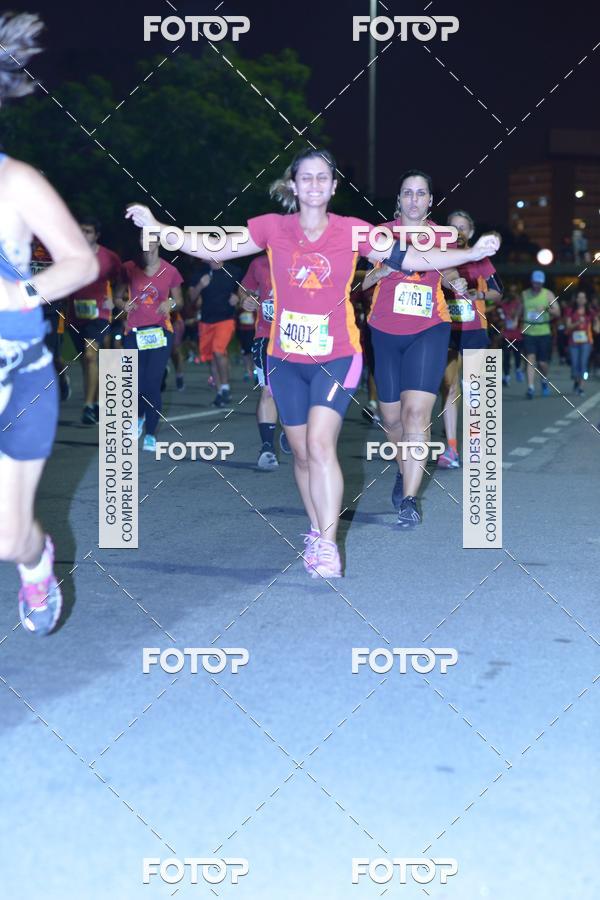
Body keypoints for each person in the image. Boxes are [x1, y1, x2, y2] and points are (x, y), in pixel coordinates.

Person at [126, 148, 499, 576]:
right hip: (285, 356)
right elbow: (219, 246)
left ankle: (326, 542)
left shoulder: (354, 230)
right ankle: (316, 529)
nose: (315, 185)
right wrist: (158, 229)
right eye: (307, 177)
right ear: (294, 185)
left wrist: (469, 254)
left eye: (323, 177)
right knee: (302, 454)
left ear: (334, 186)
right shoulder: (272, 227)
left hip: (337, 354)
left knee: (321, 445)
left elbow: (412, 258)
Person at [0, 12, 98, 635]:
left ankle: (36, 560)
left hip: (19, 376)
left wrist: (20, 293)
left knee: (8, 538)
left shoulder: (16, 182)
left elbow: (81, 262)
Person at [363, 171, 469, 522]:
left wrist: (457, 281)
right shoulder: (381, 234)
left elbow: (449, 272)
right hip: (384, 331)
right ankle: (402, 467)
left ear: (430, 200)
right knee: (391, 419)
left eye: (420, 193)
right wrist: (380, 273)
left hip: (429, 328)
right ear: (399, 199)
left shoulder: (440, 236)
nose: (413, 199)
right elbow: (363, 281)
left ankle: (409, 498)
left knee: (416, 414)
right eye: (407, 193)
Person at [438, 210, 503, 469]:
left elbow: (498, 291)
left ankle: (476, 444)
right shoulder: (439, 256)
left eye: (463, 228)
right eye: (453, 227)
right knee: (449, 387)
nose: (458, 232)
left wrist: (479, 294)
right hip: (447, 328)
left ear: (472, 232)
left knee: (474, 389)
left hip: (474, 329)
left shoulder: (480, 259)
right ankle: (451, 448)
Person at [115, 234, 183, 452]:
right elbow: (117, 297)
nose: (147, 244)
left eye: (151, 240)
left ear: (158, 243)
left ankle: (151, 434)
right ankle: (138, 417)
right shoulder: (128, 268)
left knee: (152, 383)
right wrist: (123, 305)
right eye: (143, 240)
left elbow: (179, 300)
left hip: (160, 331)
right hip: (134, 332)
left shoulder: (170, 271)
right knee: (135, 382)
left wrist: (170, 304)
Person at [68, 215, 124, 424]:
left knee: (91, 356)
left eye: (88, 231)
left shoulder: (109, 257)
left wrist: (114, 299)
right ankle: (98, 401)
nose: (84, 235)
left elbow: (122, 280)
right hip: (75, 315)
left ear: (96, 235)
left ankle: (88, 407)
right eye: (81, 230)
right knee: (86, 360)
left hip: (99, 315)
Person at [238, 253, 281, 470]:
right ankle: (267, 448)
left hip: (301, 337)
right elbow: (244, 289)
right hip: (267, 336)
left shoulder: (309, 259)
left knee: (299, 392)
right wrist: (245, 299)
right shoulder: (259, 263)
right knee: (268, 391)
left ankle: (293, 429)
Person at [189, 260, 240, 407]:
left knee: (218, 351)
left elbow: (246, 290)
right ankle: (220, 393)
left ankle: (225, 387)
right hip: (206, 322)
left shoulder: (233, 271)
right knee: (212, 358)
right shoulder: (200, 272)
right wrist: (200, 285)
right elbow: (191, 298)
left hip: (226, 319)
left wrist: (238, 297)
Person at [522, 270, 559, 398]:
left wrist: (546, 309)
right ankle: (530, 387)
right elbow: (520, 310)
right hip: (529, 331)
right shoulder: (524, 294)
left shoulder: (548, 294)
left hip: (544, 332)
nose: (537, 285)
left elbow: (557, 312)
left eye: (539, 283)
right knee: (530, 359)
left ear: (542, 283)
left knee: (542, 363)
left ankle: (544, 379)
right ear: (531, 281)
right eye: (535, 282)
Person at [565, 290, 595, 395]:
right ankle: (576, 380)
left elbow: (595, 325)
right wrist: (577, 323)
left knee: (583, 363)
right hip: (573, 342)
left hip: (586, 342)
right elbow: (568, 326)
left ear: (586, 300)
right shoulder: (570, 311)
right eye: (579, 297)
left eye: (583, 297)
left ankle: (581, 387)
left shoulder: (590, 312)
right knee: (575, 364)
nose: (581, 299)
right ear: (576, 299)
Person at [500, 283, 524, 385]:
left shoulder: (520, 304)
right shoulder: (504, 303)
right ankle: (507, 376)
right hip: (506, 334)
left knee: (517, 355)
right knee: (506, 356)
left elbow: (521, 315)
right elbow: (499, 314)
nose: (512, 293)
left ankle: (518, 369)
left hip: (517, 335)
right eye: (511, 291)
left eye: (514, 291)